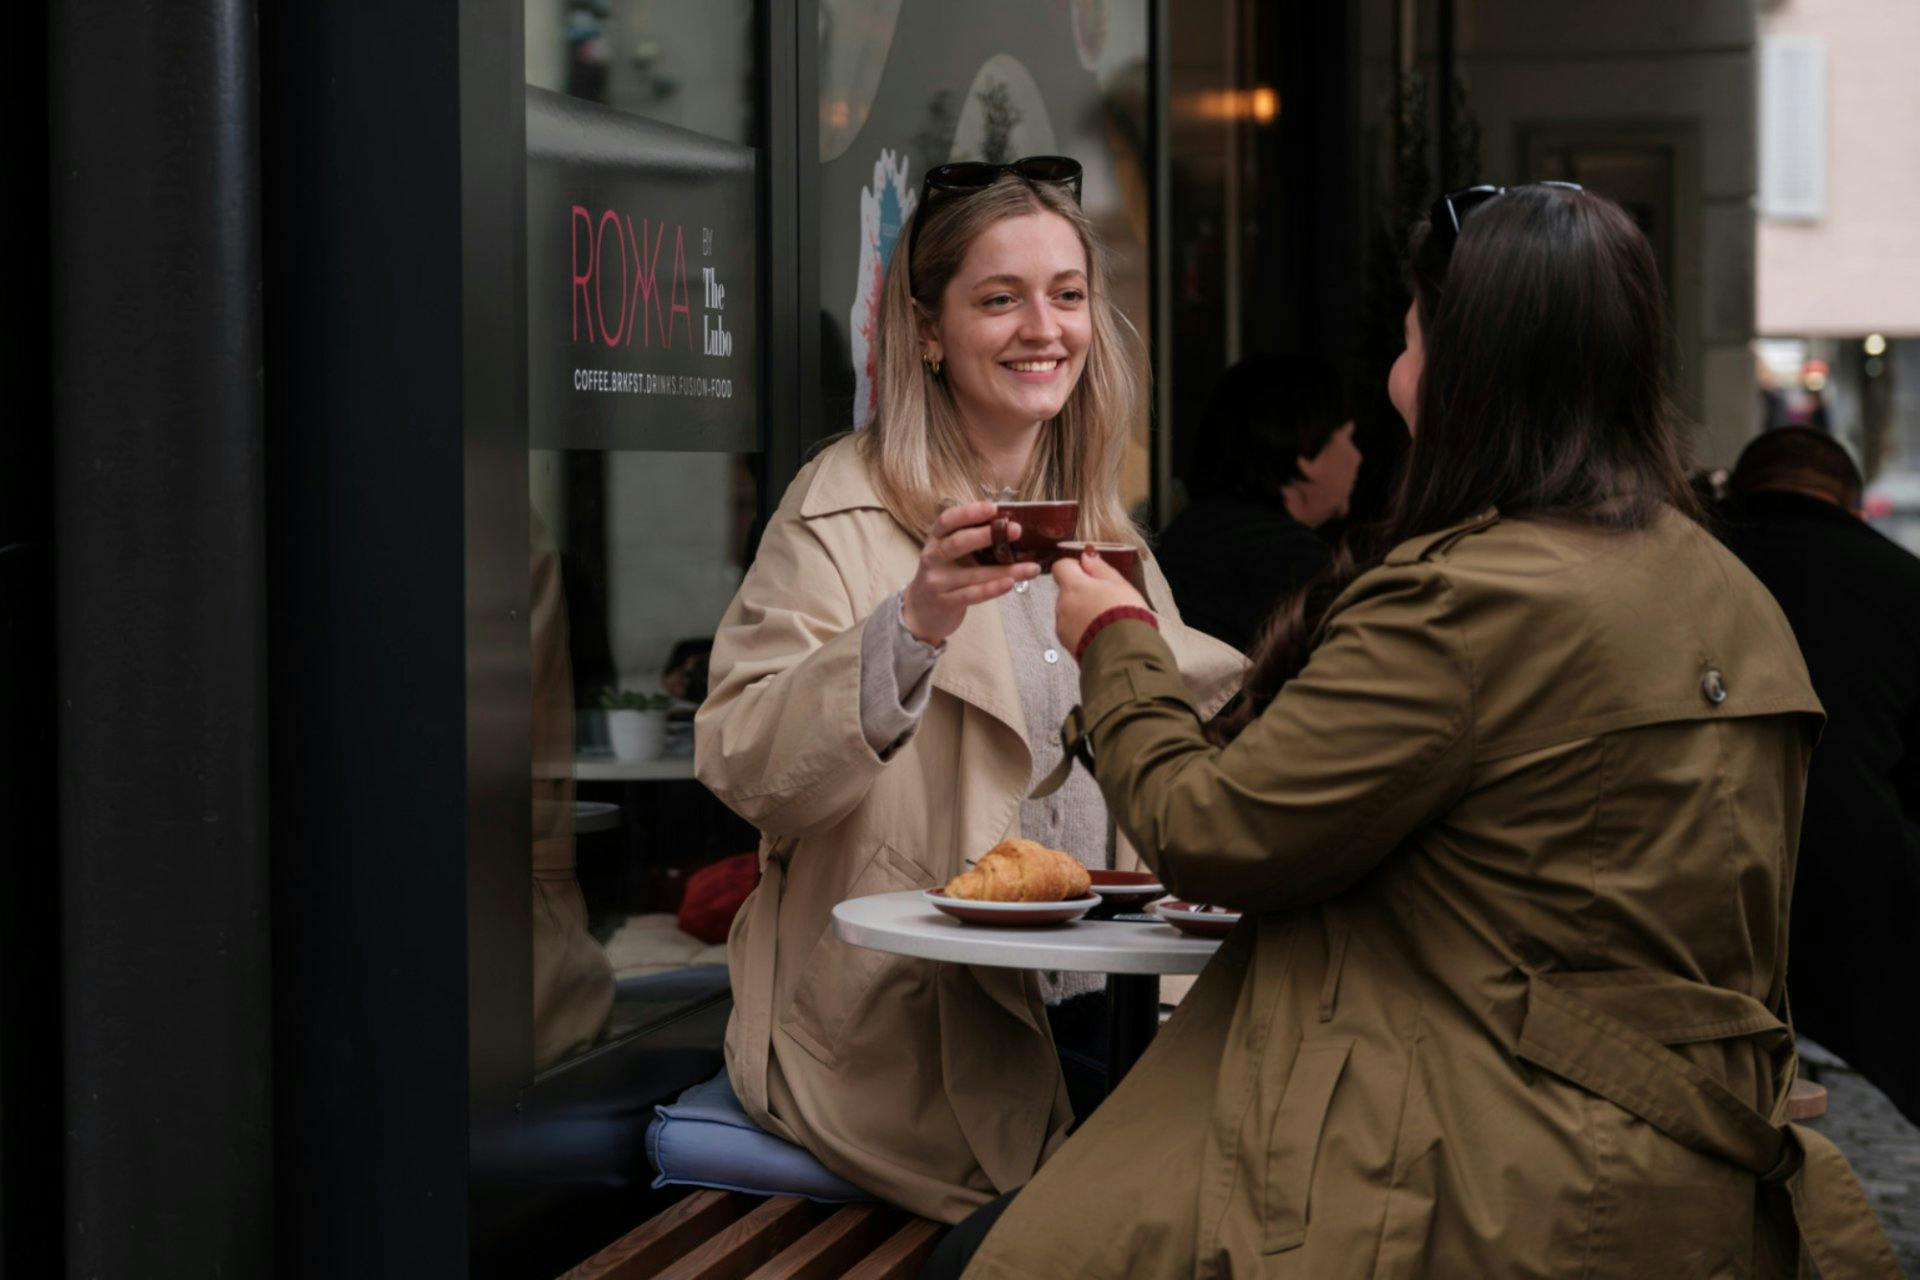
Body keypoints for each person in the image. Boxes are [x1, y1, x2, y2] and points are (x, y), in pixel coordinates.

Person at [925, 185, 1897, 1276]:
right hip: (1685, 1170)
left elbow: (1212, 833)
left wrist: (1116, 639)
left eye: (1411, 339)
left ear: (1462, 369)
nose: (1396, 374)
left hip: (1463, 1163)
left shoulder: (1464, 601)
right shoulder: (1732, 594)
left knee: (985, 1261)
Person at [694, 156, 1242, 1223]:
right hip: (909, 1044)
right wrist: (913, 623)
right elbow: (746, 765)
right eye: (1000, 299)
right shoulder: (839, 510)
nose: (1045, 328)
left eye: (1067, 294)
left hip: (1117, 1021)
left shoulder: (1107, 532)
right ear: (927, 332)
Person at [1718, 427, 1920, 1123]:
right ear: (1852, 504)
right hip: (1856, 877)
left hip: (1698, 873)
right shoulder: (1904, 583)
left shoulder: (1692, 566)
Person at [1155, 356, 1361, 652]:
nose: (1358, 456)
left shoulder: (1187, 534)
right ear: (1308, 451)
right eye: (1349, 437)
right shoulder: (1296, 567)